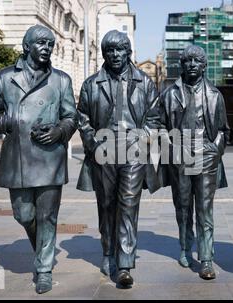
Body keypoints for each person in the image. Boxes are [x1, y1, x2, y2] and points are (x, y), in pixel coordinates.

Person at [0, 25, 78, 294]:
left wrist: (59, 130)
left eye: (50, 44)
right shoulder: (5, 77)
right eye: (41, 43)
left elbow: (72, 117)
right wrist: (12, 122)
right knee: (23, 215)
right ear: (27, 46)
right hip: (19, 157)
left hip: (50, 157)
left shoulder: (61, 80)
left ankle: (44, 269)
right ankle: (42, 250)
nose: (47, 48)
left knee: (47, 217)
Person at [76, 30, 160, 287]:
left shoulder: (144, 82)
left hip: (134, 151)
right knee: (107, 204)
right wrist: (93, 143)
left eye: (120, 49)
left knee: (128, 204)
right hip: (104, 150)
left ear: (128, 52)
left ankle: (124, 263)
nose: (115, 54)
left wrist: (142, 139)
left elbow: (155, 118)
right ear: (104, 54)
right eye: (110, 50)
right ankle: (108, 251)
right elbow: (83, 119)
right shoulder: (92, 84)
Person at [158, 45, 229, 280]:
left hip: (205, 156)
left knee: (205, 209)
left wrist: (214, 150)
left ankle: (206, 258)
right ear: (182, 65)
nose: (191, 65)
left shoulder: (214, 95)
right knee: (183, 207)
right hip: (180, 154)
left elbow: (222, 129)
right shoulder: (169, 94)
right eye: (187, 61)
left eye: (196, 61)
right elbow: (158, 124)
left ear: (204, 65)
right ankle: (186, 247)